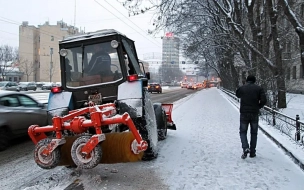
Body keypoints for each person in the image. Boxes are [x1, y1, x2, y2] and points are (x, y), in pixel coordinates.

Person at [236, 75, 267, 159]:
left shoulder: (242, 88)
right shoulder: (259, 88)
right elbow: (264, 100)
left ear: (247, 80)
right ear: (254, 81)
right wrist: (258, 106)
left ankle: (245, 147)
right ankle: (252, 152)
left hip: (244, 113)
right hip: (254, 113)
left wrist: (242, 86)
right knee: (254, 133)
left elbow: (237, 95)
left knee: (243, 132)